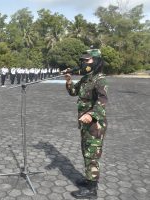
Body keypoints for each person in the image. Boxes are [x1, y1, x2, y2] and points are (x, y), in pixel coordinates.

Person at [65, 52, 107, 199]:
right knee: (86, 152)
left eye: (87, 60)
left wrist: (90, 114)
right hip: (84, 123)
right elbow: (73, 92)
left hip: (95, 124)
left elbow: (102, 101)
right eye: (82, 60)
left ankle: (92, 190)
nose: (84, 63)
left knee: (92, 154)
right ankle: (89, 179)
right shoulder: (85, 79)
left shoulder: (99, 79)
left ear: (95, 61)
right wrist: (69, 81)